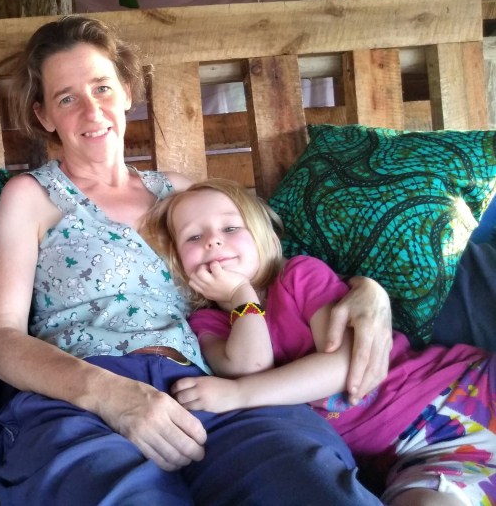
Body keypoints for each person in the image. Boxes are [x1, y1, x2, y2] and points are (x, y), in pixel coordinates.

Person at [0, 15, 392, 505]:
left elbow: (265, 268)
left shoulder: (179, 194)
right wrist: (107, 393)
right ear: (45, 115)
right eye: (67, 98)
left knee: (311, 485)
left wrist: (368, 290)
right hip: (82, 396)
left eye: (102, 88)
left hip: (205, 389)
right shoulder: (32, 196)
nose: (92, 110)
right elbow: (0, 338)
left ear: (126, 91)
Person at [141, 177, 496, 505]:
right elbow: (250, 365)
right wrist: (240, 297)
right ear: (179, 262)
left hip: (460, 388)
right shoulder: (207, 323)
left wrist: (239, 394)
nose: (213, 241)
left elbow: (345, 364)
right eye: (193, 237)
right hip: (421, 457)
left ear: (267, 238)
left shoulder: (298, 276)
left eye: (230, 228)